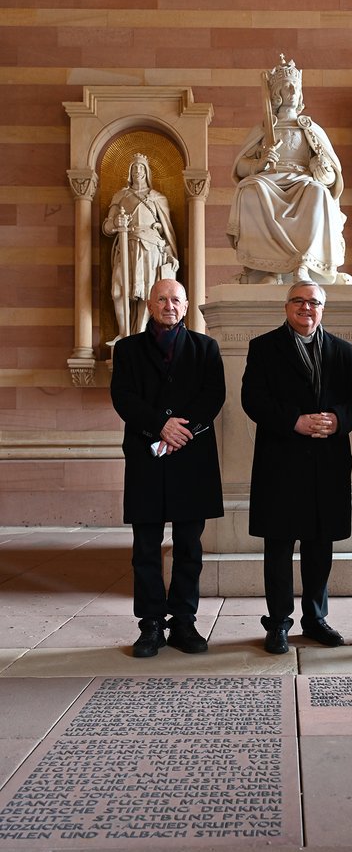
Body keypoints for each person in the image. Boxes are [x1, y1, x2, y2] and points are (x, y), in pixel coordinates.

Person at [241, 281, 352, 653]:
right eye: (298, 301)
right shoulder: (264, 347)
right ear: (286, 307)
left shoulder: (342, 350)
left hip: (327, 463)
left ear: (322, 309)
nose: (306, 307)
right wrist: (293, 421)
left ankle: (315, 618)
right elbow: (253, 399)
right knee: (279, 546)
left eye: (313, 302)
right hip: (281, 463)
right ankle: (279, 621)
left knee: (319, 545)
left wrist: (338, 420)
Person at [110, 278, 225, 658]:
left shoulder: (206, 347)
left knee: (189, 547)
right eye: (162, 299)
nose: (169, 305)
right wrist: (159, 425)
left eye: (175, 299)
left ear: (186, 306)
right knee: (145, 547)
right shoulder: (127, 349)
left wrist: (179, 432)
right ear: (150, 305)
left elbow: (214, 396)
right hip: (146, 457)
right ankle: (151, 624)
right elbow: (123, 397)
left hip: (192, 459)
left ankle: (184, 621)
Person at [226, 54, 349, 285]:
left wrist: (320, 169)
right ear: (276, 94)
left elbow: (332, 178)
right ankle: (268, 270)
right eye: (287, 87)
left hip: (303, 180)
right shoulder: (264, 129)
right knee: (249, 191)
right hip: (269, 179)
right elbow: (241, 167)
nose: (293, 91)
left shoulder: (310, 129)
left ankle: (304, 264)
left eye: (295, 87)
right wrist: (259, 163)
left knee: (318, 193)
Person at [103, 154, 179, 341]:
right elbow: (106, 227)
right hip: (126, 246)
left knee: (146, 292)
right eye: (134, 167)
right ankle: (123, 333)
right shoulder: (121, 196)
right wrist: (116, 222)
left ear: (147, 172)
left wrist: (170, 254)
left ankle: (140, 334)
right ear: (130, 172)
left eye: (141, 167)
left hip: (150, 249)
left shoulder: (158, 198)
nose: (138, 171)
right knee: (118, 290)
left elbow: (167, 233)